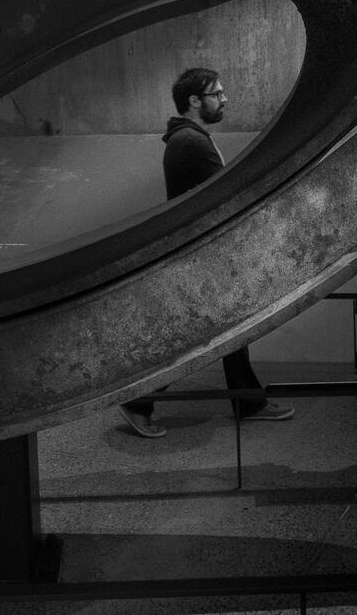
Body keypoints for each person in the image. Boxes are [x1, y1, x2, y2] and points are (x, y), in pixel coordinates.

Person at [119, 67, 295, 438]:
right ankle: (138, 400)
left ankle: (248, 402)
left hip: (201, 256)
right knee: (194, 337)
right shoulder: (190, 142)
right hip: (203, 260)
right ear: (195, 101)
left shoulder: (187, 138)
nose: (225, 98)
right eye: (217, 93)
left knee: (226, 332)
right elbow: (228, 195)